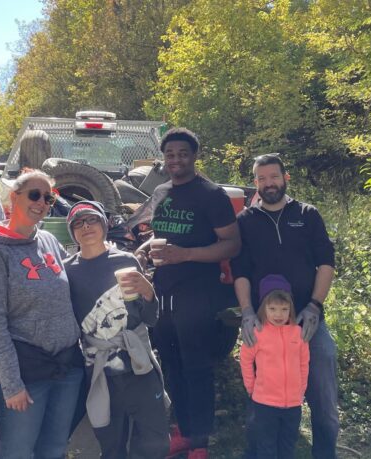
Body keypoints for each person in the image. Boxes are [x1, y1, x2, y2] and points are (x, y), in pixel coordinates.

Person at [230, 153, 338, 458]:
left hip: (306, 322)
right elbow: (240, 271)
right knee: (260, 397)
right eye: (261, 178)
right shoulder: (245, 221)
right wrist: (248, 314)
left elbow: (326, 263)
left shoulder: (307, 214)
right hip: (263, 326)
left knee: (323, 396)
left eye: (274, 176)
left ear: (285, 177)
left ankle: (325, 452)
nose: (269, 183)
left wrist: (315, 306)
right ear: (255, 183)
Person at [142, 128, 241, 459]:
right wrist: (145, 252)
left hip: (199, 291)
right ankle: (182, 431)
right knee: (170, 362)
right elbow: (159, 234)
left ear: (194, 156)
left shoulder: (211, 195)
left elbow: (231, 243)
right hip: (164, 290)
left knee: (196, 365)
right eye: (170, 154)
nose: (176, 160)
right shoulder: (160, 192)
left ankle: (200, 443)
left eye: (182, 153)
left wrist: (186, 255)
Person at [0, 170, 84, 459]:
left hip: (66, 366)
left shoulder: (48, 240)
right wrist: (11, 385)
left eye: (48, 198)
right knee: (19, 452)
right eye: (34, 195)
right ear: (14, 197)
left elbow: (77, 270)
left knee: (56, 448)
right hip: (27, 373)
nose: (41, 203)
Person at [64, 200, 169, 459]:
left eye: (92, 220)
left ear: (104, 224)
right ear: (72, 232)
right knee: (111, 442)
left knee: (154, 438)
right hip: (100, 368)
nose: (86, 227)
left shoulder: (125, 260)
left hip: (138, 361)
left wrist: (148, 294)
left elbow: (150, 318)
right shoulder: (68, 271)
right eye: (78, 223)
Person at [240, 275, 309, 459]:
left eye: (284, 309)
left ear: (290, 309)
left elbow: (304, 363)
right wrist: (251, 386)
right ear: (264, 309)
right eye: (272, 309)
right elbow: (245, 359)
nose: (278, 314)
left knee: (287, 444)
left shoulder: (298, 333)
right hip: (265, 402)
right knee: (266, 446)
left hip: (293, 403)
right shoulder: (258, 333)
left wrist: (301, 389)